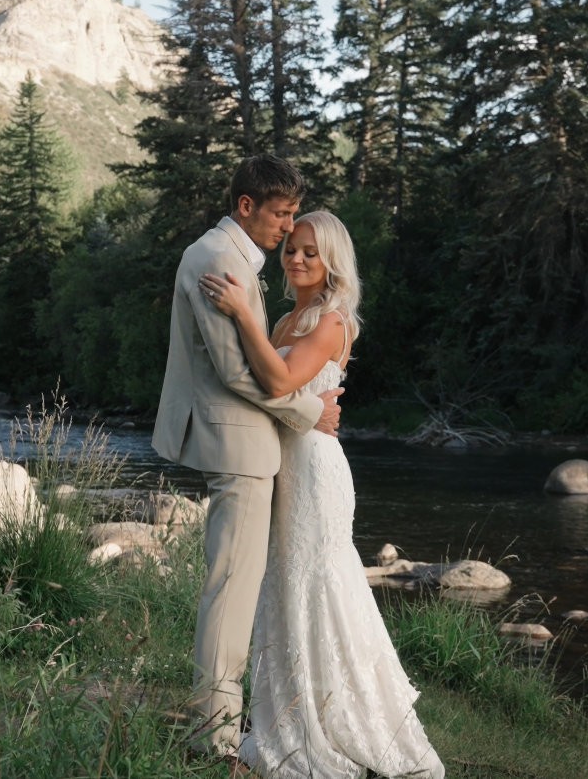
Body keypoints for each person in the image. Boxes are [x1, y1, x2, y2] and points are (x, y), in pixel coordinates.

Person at [199, 210, 445, 779]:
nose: (297, 258)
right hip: (280, 462)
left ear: (332, 259)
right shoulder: (286, 318)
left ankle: (341, 719)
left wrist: (239, 312)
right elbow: (257, 382)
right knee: (282, 584)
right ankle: (283, 713)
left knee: (320, 584)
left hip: (313, 469)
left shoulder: (331, 321)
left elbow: (281, 383)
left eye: (311, 251)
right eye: (291, 248)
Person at [152, 154, 344, 762]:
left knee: (235, 591)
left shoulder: (235, 260)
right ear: (245, 206)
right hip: (237, 445)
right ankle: (212, 743)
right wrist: (311, 412)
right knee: (230, 592)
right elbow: (238, 372)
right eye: (281, 214)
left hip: (251, 448)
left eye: (293, 216)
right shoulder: (215, 260)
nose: (288, 229)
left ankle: (227, 725)